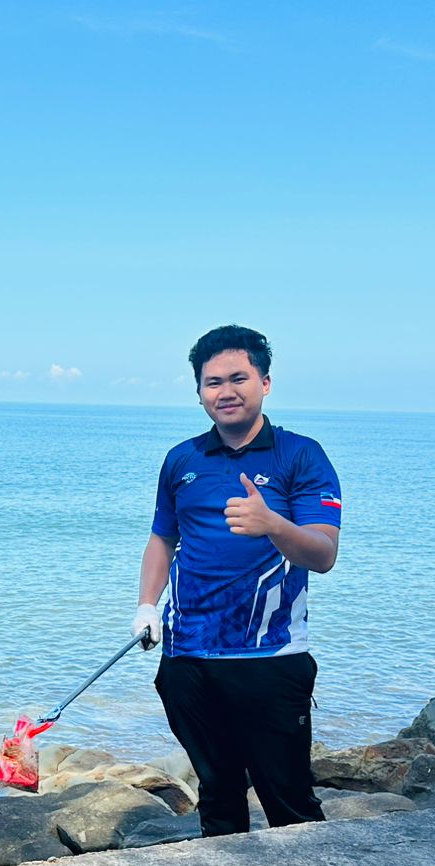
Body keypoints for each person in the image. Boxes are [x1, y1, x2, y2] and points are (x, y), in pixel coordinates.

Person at [132, 325, 342, 837]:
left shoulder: (300, 455)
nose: (225, 392)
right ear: (199, 392)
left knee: (288, 801)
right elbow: (162, 538)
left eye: (238, 378)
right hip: (187, 660)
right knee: (218, 794)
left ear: (265, 383)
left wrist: (272, 524)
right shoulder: (182, 459)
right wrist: (146, 606)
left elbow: (323, 554)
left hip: (271, 660)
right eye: (213, 382)